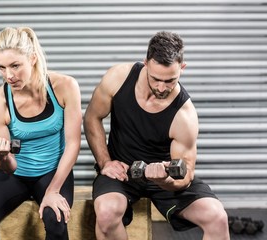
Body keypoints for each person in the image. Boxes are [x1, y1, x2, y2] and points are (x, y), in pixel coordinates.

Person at [83, 31, 230, 240]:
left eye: (170, 80)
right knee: (106, 213)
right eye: (156, 78)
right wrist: (105, 162)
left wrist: (164, 179)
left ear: (182, 68)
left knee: (217, 218)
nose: (161, 87)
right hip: (122, 173)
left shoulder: (184, 115)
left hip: (165, 177)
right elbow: (91, 118)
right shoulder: (118, 78)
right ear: (145, 64)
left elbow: (185, 177)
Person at [0, 26, 82, 240]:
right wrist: (2, 155)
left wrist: (53, 191)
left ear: (32, 58)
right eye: (1, 68)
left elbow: (73, 144)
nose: (9, 76)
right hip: (13, 175)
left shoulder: (65, 86)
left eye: (15, 65)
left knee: (55, 219)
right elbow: (8, 167)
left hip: (53, 170)